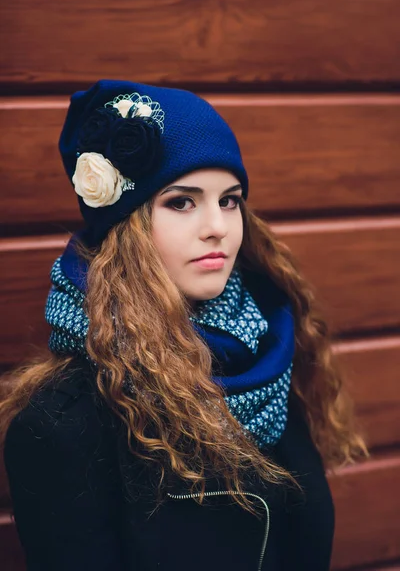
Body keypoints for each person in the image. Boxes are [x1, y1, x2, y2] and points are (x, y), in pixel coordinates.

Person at [0, 80, 368, 571]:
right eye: (181, 201)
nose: (217, 225)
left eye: (230, 199)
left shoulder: (267, 356)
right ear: (125, 227)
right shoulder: (65, 422)